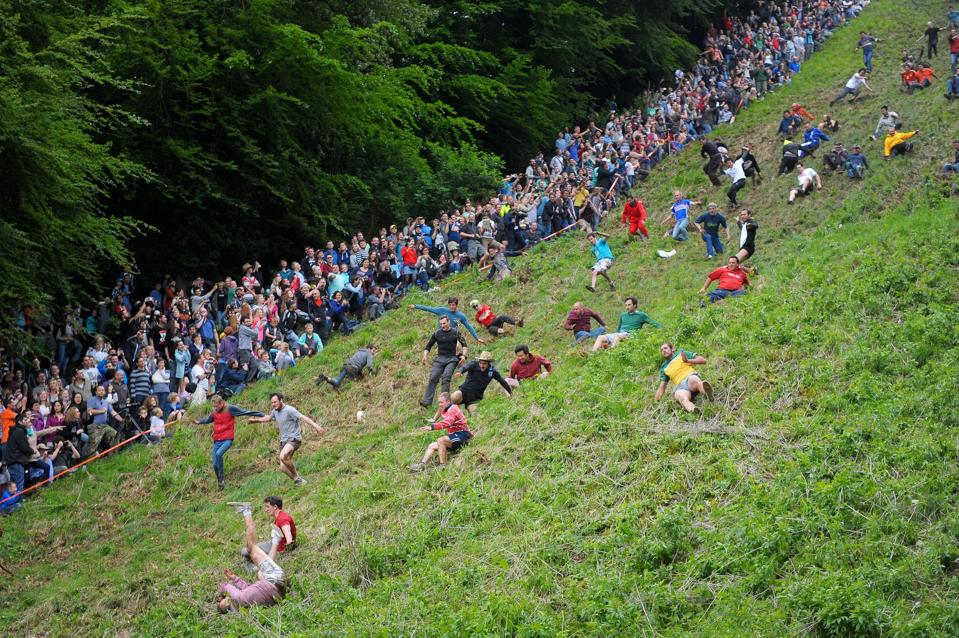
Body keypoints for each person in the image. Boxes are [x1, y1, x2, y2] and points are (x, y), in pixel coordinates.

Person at [217, 502, 287, 612]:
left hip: (278, 587)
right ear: (228, 606)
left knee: (260, 573)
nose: (227, 599)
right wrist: (221, 594)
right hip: (273, 580)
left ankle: (276, 538)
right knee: (251, 547)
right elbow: (225, 586)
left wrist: (234, 578)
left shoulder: (245, 604)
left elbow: (247, 588)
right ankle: (246, 510)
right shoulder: (238, 599)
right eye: (225, 602)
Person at [248, 393, 325, 486]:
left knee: (283, 456)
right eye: (272, 403)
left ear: (281, 400)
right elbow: (268, 418)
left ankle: (297, 477)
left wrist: (316, 426)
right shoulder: (275, 411)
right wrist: (255, 420)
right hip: (284, 441)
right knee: (283, 468)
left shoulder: (289, 410)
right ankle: (300, 481)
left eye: (275, 402)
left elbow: (302, 417)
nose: (273, 404)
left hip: (294, 439)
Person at [194, 394, 264, 489]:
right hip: (217, 441)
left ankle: (222, 478)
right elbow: (208, 420)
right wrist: (199, 422)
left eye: (216, 406)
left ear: (221, 403)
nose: (215, 408)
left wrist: (263, 415)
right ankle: (220, 482)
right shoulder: (215, 412)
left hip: (227, 439)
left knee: (219, 454)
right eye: (213, 406)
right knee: (215, 465)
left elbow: (245, 412)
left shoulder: (230, 409)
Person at [408, 392, 472, 472]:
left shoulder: (453, 409)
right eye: (439, 402)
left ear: (448, 401)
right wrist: (434, 419)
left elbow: (447, 423)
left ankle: (443, 466)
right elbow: (440, 410)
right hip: (455, 436)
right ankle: (421, 465)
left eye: (441, 402)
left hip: (463, 435)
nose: (440, 404)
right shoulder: (445, 407)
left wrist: (432, 427)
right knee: (432, 445)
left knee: (441, 440)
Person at [419, 316, 468, 408]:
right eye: (441, 324)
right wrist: (425, 356)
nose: (442, 325)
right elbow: (428, 346)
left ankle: (445, 403)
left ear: (449, 322)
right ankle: (427, 401)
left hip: (452, 359)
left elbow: (464, 345)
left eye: (444, 323)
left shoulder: (455, 332)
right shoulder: (437, 333)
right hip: (440, 359)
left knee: (446, 377)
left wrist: (464, 356)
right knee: (433, 377)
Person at [654, 343, 714, 412]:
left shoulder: (681, 354)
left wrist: (687, 360)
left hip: (689, 378)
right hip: (680, 387)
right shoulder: (664, 367)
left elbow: (703, 360)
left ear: (672, 349)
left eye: (665, 348)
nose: (663, 351)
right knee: (680, 396)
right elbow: (662, 388)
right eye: (661, 350)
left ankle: (708, 393)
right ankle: (693, 410)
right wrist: (656, 402)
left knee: (694, 380)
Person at [240, 496, 297, 563]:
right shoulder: (280, 515)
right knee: (248, 550)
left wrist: (289, 541)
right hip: (274, 544)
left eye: (268, 507)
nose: (266, 510)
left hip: (278, 549)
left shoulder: (282, 519)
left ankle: (246, 510)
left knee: (245, 552)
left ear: (275, 507)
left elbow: (287, 531)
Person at [592, 297, 662, 351]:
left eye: (629, 305)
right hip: (620, 334)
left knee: (619, 336)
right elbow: (619, 328)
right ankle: (593, 354)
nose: (627, 307)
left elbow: (653, 323)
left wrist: (663, 329)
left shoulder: (641, 315)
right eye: (626, 305)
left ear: (635, 305)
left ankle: (611, 351)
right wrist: (616, 335)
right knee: (600, 337)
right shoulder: (623, 315)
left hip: (631, 335)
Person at [409, 297, 483, 342]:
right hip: (441, 335)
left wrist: (477, 338)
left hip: (452, 336)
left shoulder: (461, 315)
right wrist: (416, 306)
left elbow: (469, 326)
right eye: (450, 305)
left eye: (453, 305)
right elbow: (429, 308)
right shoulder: (442, 310)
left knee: (457, 348)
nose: (451, 307)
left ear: (456, 305)